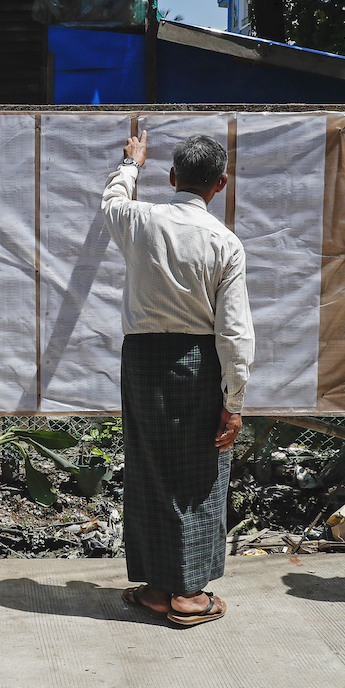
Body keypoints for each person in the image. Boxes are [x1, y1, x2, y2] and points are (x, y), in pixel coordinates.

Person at [102, 131, 253, 626]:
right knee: (200, 472)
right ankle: (188, 594)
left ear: (171, 178)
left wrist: (131, 163)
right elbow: (233, 331)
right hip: (197, 360)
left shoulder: (140, 220)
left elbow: (113, 199)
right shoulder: (224, 242)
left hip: (142, 359)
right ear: (221, 184)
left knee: (149, 466)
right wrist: (234, 400)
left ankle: (155, 586)